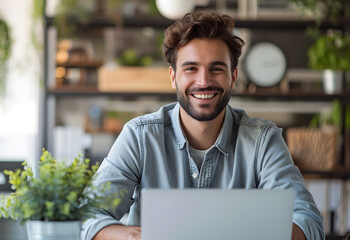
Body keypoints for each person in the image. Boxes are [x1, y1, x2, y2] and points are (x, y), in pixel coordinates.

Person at [82, 10, 324, 240]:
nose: (204, 81)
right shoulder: (139, 137)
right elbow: (87, 219)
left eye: (216, 69)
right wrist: (143, 236)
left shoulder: (263, 140)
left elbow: (308, 221)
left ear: (234, 77)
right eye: (191, 68)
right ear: (173, 77)